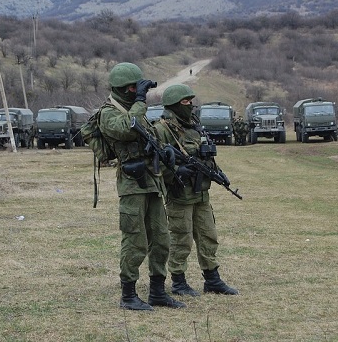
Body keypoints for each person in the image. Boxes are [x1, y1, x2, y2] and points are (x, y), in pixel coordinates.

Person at [98, 62, 185, 311]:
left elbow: (149, 136)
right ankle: (128, 295)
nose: (137, 91)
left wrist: (166, 151)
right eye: (132, 88)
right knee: (135, 239)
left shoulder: (136, 111)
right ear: (121, 88)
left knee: (161, 238)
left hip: (152, 181)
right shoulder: (108, 113)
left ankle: (158, 292)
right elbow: (127, 129)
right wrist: (139, 100)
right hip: (132, 184)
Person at [153, 84, 238, 297]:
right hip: (180, 194)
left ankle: (212, 279)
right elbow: (155, 162)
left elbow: (205, 154)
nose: (190, 105)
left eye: (190, 101)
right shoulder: (162, 129)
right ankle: (178, 281)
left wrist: (216, 171)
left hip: (201, 193)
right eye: (185, 102)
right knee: (181, 238)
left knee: (208, 235)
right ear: (174, 104)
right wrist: (176, 171)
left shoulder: (194, 126)